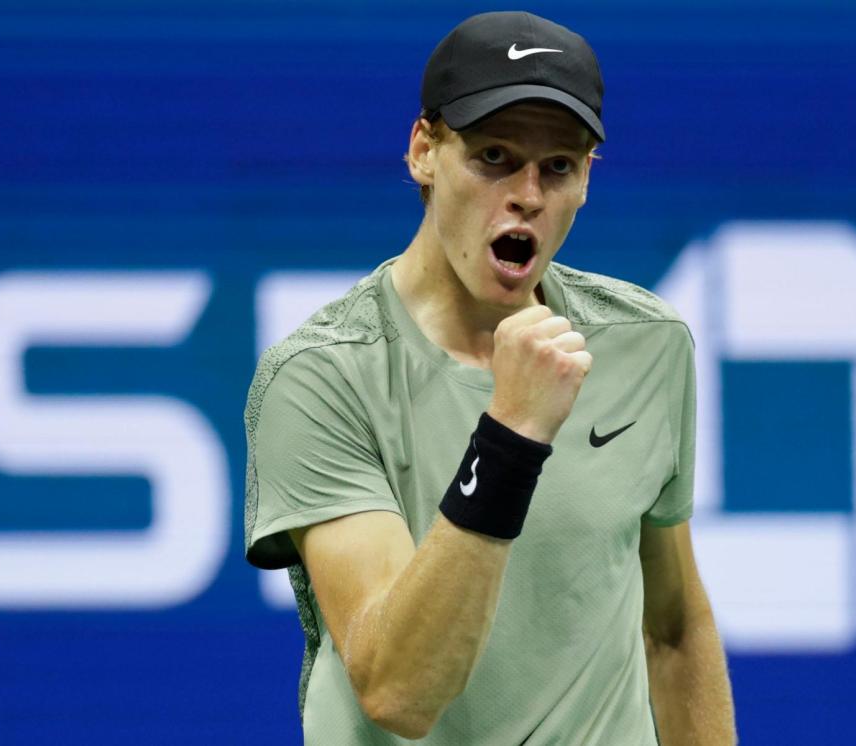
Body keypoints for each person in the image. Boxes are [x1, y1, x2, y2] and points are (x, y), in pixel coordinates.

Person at [243, 11, 736, 744]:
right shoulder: (320, 376)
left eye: (559, 167)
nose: (528, 195)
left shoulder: (647, 345)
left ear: (587, 180)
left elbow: (671, 626)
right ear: (423, 151)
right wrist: (510, 435)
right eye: (495, 157)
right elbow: (398, 689)